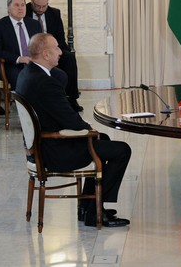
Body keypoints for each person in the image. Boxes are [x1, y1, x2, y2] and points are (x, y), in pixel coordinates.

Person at [16, 33, 131, 227]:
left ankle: (88, 207)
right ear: (45, 54)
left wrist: (91, 132)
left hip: (39, 147)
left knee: (103, 139)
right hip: (55, 151)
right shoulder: (45, 83)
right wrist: (89, 130)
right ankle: (95, 211)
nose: (61, 52)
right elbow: (70, 120)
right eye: (56, 48)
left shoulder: (27, 74)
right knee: (122, 150)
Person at [26, 0, 82, 112]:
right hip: (35, 52)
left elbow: (60, 38)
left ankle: (71, 98)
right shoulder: (25, 11)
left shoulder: (54, 13)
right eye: (37, 6)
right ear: (31, 2)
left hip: (50, 49)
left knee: (69, 57)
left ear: (48, 3)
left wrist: (59, 51)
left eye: (44, 6)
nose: (40, 9)